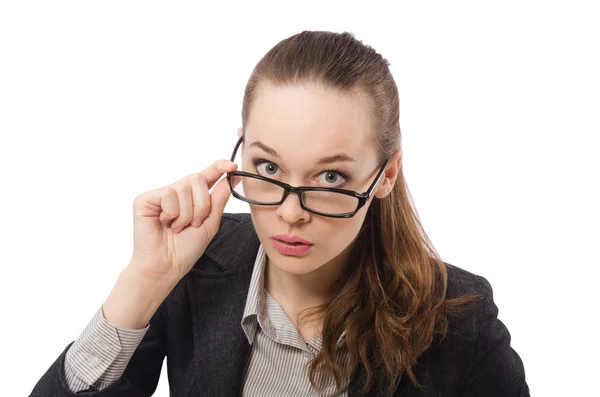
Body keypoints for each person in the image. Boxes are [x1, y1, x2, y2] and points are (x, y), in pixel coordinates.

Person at [29, 30, 530, 397]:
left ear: (386, 175)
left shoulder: (460, 321)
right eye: (268, 166)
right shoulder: (198, 261)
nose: (290, 212)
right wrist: (143, 282)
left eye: (330, 177)